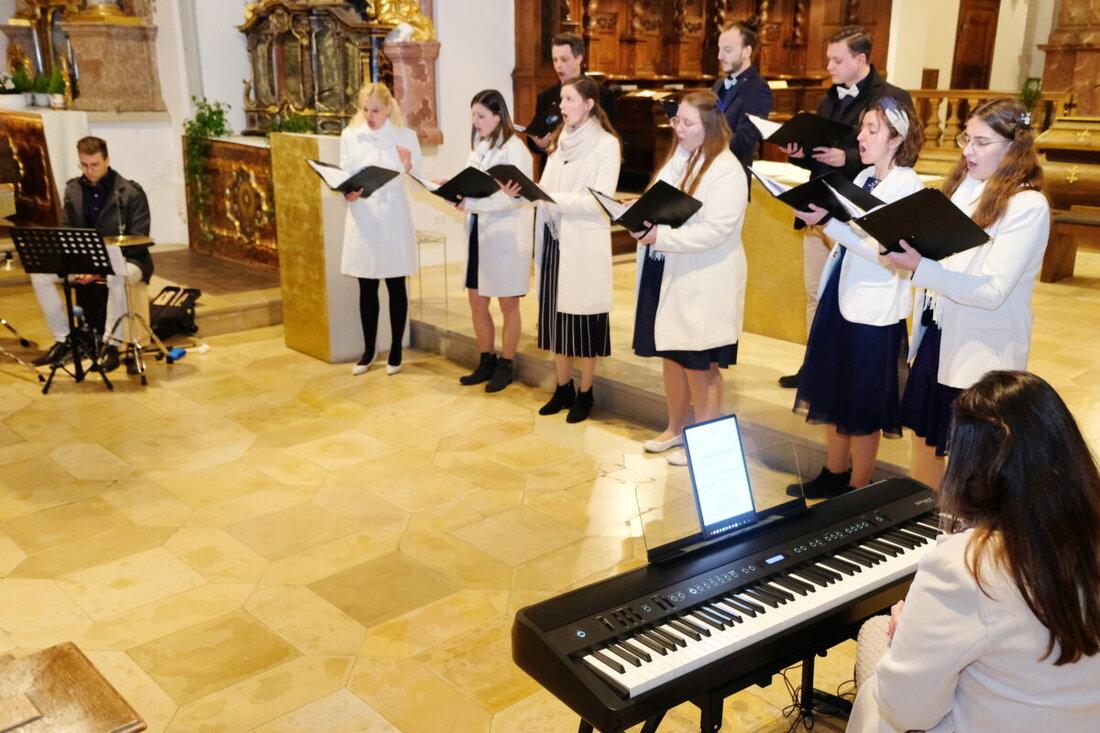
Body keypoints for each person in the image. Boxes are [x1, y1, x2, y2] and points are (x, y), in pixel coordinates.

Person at [847, 370, 1100, 732]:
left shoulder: (968, 566)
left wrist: (907, 634)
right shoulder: (1085, 526)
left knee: (878, 664)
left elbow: (907, 712)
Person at [888, 98, 1050, 490]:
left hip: (981, 350)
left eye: (980, 142)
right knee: (926, 442)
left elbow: (993, 291)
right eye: (966, 138)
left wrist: (921, 267)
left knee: (972, 464)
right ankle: (922, 527)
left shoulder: (1027, 206)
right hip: (938, 337)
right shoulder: (965, 187)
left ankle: (959, 540)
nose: (967, 150)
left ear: (1013, 147)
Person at [785, 97, 924, 498]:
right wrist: (824, 218)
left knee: (864, 398)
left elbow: (885, 252)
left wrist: (831, 224)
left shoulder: (907, 186)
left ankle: (858, 485)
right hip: (842, 293)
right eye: (861, 128)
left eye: (871, 130)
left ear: (896, 139)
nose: (860, 136)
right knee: (833, 384)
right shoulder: (863, 178)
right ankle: (834, 470)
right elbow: (846, 235)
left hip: (875, 308)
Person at [780, 26, 912, 389]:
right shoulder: (828, 98)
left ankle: (843, 371)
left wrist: (846, 156)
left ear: (861, 59)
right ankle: (815, 367)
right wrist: (799, 155)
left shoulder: (891, 99)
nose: (829, 66)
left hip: (857, 220)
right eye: (829, 58)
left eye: (837, 59)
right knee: (816, 294)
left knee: (852, 296)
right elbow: (820, 158)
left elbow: (896, 152)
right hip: (821, 210)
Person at [630, 90, 748, 466]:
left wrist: (660, 235)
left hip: (705, 278)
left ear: (710, 126)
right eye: (676, 120)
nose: (677, 128)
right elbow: (658, 196)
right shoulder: (683, 157)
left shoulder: (727, 169)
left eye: (687, 122)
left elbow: (717, 231)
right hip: (672, 269)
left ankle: (705, 444)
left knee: (700, 364)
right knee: (672, 354)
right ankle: (675, 428)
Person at [534, 76, 621, 424]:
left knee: (583, 322)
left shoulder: (605, 144)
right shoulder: (560, 142)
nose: (562, 106)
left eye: (569, 100)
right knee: (556, 319)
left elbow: (599, 200)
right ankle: (562, 386)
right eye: (561, 99)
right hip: (555, 238)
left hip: (583, 244)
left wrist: (550, 198)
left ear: (588, 104)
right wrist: (525, 190)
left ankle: (586, 391)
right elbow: (545, 187)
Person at [30, 136, 153, 373]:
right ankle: (65, 339)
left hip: (131, 260)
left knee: (117, 278)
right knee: (40, 276)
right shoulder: (73, 189)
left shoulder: (130, 192)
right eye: (84, 165)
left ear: (107, 160)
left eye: (94, 165)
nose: (89, 171)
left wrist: (98, 268)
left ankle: (111, 344)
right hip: (85, 260)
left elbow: (139, 240)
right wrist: (80, 263)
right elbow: (66, 231)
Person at [454, 89, 535, 393]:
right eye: (473, 116)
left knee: (507, 304)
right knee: (477, 302)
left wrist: (472, 203)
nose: (475, 122)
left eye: (481, 116)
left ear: (499, 116)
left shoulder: (516, 151)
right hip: (479, 234)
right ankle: (486, 359)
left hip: (506, 239)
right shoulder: (480, 146)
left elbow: (514, 199)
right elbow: (472, 183)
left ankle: (506, 364)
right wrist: (453, 190)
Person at [340, 81, 422, 376]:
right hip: (363, 217)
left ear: (388, 108)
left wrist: (409, 164)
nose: (370, 115)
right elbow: (344, 171)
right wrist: (346, 191)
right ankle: (368, 350)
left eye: (375, 110)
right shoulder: (351, 135)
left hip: (392, 219)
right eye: (365, 109)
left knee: (396, 284)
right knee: (366, 285)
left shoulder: (404, 136)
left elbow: (418, 177)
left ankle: (397, 349)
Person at [526, 33, 615, 171]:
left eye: (564, 59)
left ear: (579, 58)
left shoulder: (602, 95)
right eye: (555, 60)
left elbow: (609, 133)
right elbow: (535, 139)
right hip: (555, 170)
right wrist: (540, 145)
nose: (558, 66)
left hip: (587, 167)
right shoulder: (546, 96)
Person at [713, 21, 773, 181]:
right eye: (719, 49)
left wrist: (706, 144)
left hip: (731, 177)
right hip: (709, 172)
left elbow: (744, 140)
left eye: (727, 50)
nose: (720, 56)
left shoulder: (758, 88)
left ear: (746, 51)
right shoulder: (719, 84)